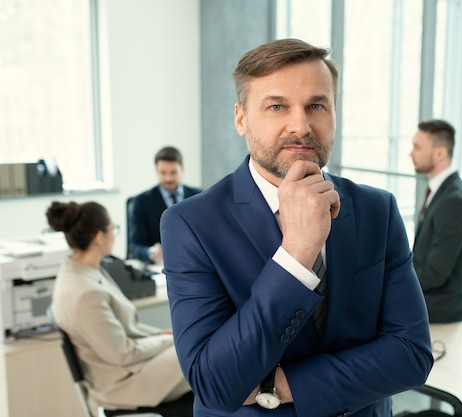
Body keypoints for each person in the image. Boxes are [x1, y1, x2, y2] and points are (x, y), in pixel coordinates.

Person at [160, 38, 433, 417]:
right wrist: (297, 253)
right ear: (241, 118)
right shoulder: (190, 224)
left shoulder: (377, 209)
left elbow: (412, 354)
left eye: (316, 106)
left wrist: (275, 384)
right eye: (277, 106)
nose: (301, 126)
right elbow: (216, 385)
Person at [46, 201, 193, 416]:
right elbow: (123, 353)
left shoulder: (83, 271)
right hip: (122, 382)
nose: (115, 234)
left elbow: (124, 329)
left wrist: (160, 334)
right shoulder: (86, 294)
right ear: (100, 237)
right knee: (203, 355)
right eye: (113, 228)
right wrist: (171, 340)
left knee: (200, 348)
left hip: (125, 367)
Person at [410, 119, 462, 323]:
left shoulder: (455, 202)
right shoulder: (443, 192)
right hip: (430, 310)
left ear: (440, 153)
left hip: (440, 316)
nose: (411, 153)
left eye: (417, 147)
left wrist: (390, 283)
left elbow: (434, 274)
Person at [128, 146, 202, 263]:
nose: (168, 178)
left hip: (193, 262)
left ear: (182, 169)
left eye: (173, 172)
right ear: (156, 171)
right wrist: (151, 252)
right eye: (163, 172)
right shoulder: (141, 202)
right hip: (158, 266)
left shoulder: (199, 196)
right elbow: (135, 247)